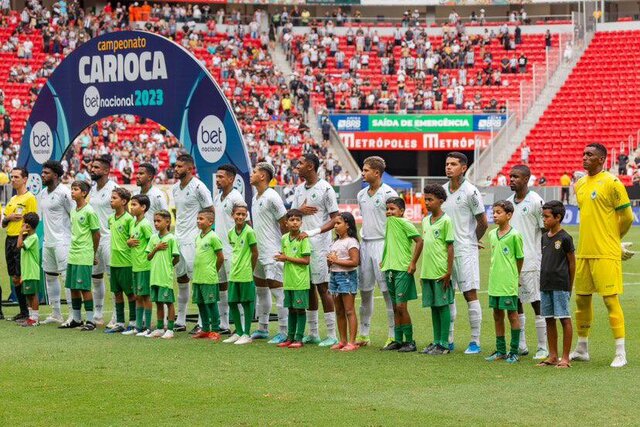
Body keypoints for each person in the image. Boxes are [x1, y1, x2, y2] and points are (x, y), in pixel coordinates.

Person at [570, 143, 634, 368]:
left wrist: (614, 240)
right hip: (584, 251)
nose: (584, 157)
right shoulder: (580, 185)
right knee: (581, 299)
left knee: (610, 300)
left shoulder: (612, 183)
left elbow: (626, 216)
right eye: (584, 153)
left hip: (605, 252)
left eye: (590, 155)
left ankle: (620, 352)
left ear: (601, 159)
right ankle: (582, 347)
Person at [292, 153, 339, 347]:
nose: (297, 166)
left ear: (310, 166)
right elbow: (292, 215)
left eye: (301, 163)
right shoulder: (298, 189)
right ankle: (312, 333)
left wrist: (315, 231)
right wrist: (299, 212)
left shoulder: (325, 188)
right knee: (308, 287)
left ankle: (331, 334)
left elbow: (336, 218)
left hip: (320, 245)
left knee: (322, 288)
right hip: (302, 245)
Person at [442, 152, 488, 354]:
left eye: (453, 164)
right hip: (444, 251)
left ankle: (475, 341)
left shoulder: (471, 191)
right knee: (447, 294)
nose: (448, 167)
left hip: (465, 250)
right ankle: (449, 338)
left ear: (463, 168)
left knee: (470, 294)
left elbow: (483, 222)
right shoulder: (442, 191)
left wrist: (472, 240)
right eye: (447, 164)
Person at [507, 165, 548, 359]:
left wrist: (545, 257)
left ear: (526, 179)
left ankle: (543, 346)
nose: (512, 179)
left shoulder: (536, 201)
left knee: (536, 302)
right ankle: (521, 344)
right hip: (510, 262)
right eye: (510, 176)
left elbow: (546, 231)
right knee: (516, 302)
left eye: (516, 177)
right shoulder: (508, 203)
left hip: (532, 261)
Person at [355, 156, 397, 347]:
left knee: (387, 292)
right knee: (365, 291)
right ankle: (364, 334)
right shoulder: (361, 194)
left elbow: (395, 224)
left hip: (382, 245)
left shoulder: (390, 193)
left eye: (365, 170)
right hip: (365, 245)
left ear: (377, 173)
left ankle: (392, 334)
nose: (363, 173)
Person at [172, 154, 214, 332]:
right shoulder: (175, 188)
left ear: (189, 169)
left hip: (193, 239)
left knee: (197, 280)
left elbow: (210, 211)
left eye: (180, 166)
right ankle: (180, 320)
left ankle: (203, 322)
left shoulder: (199, 187)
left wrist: (204, 236)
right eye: (176, 165)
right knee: (181, 278)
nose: (176, 169)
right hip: (178, 238)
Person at [250, 162, 289, 343]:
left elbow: (285, 223)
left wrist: (284, 248)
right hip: (258, 252)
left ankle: (284, 331)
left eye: (255, 171)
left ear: (263, 176)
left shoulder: (272, 196)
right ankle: (263, 328)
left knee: (278, 292)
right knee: (261, 291)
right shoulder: (255, 196)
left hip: (272, 250)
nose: (252, 173)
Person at [380, 197, 423, 353]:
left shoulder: (405, 223)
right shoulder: (390, 223)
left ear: (402, 211)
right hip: (389, 269)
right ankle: (398, 341)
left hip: (402, 269)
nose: (389, 212)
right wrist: (384, 259)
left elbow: (419, 241)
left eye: (393, 209)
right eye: (388, 209)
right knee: (394, 306)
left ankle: (410, 341)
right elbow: (390, 242)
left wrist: (413, 263)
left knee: (401, 306)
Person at [485, 200, 524, 364]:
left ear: (509, 215)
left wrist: (515, 277)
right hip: (494, 281)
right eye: (493, 212)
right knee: (496, 315)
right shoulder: (492, 234)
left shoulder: (515, 235)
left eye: (498, 212)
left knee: (512, 315)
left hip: (508, 282)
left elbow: (520, 258)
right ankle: (500, 350)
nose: (495, 215)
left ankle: (514, 351)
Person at [59, 181, 100, 331]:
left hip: (84, 253)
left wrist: (93, 253)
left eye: (75, 189)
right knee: (73, 287)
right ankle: (76, 319)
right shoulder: (74, 210)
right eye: (72, 189)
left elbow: (96, 234)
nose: (72, 192)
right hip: (73, 253)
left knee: (84, 287)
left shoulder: (89, 211)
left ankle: (91, 321)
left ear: (83, 193)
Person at [538, 201, 575, 368]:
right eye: (543, 216)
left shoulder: (565, 238)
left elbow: (572, 263)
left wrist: (569, 286)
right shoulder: (544, 237)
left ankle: (565, 357)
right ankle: (552, 355)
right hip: (545, 284)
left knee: (564, 319)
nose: (544, 219)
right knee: (549, 319)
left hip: (560, 285)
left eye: (547, 216)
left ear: (558, 217)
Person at [419, 185, 454, 355]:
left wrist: (449, 272)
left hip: (441, 271)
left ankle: (444, 344)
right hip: (427, 271)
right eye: (425, 199)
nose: (427, 202)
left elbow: (450, 247)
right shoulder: (425, 220)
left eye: (430, 199)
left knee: (443, 306)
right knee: (433, 306)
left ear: (440, 201)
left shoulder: (446, 221)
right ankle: (436, 340)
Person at [39, 160, 73, 324]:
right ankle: (56, 313)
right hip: (48, 242)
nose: (43, 175)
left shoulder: (64, 192)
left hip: (63, 241)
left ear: (56, 175)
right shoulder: (43, 193)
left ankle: (73, 315)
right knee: (50, 276)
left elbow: (74, 216)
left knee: (67, 278)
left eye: (46, 173)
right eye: (43, 172)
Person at [2, 167, 38, 322]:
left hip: (20, 239)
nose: (13, 179)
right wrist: (9, 217)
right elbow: (3, 223)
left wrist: (24, 237)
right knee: (14, 277)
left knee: (21, 276)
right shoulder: (11, 199)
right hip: (9, 239)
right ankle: (23, 311)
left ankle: (29, 313)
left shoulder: (29, 198)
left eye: (16, 176)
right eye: (12, 176)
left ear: (25, 179)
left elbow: (33, 220)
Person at [214, 164, 246, 335]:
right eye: (217, 177)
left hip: (233, 252)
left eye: (221, 177)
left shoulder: (237, 198)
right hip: (220, 251)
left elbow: (244, 224)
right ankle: (224, 324)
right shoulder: (218, 197)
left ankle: (240, 327)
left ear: (231, 179)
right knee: (222, 287)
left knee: (236, 289)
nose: (217, 180)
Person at [88, 155, 118, 326]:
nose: (93, 170)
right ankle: (98, 315)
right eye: (92, 167)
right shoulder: (93, 189)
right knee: (96, 277)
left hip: (109, 239)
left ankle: (115, 315)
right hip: (94, 239)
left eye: (97, 167)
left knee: (112, 278)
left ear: (107, 170)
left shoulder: (114, 188)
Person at [276, 209, 311, 349]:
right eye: (292, 220)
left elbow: (306, 260)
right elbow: (285, 256)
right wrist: (282, 257)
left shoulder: (303, 239)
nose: (295, 222)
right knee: (290, 309)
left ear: (301, 222)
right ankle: (290, 337)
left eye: (297, 220)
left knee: (300, 309)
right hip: (289, 280)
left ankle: (299, 338)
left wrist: (286, 258)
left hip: (300, 281)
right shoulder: (284, 238)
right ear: (286, 222)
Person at [224, 204, 258, 345]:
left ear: (246, 216)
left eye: (243, 214)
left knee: (246, 303)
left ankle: (246, 333)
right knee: (232, 302)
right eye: (238, 214)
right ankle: (238, 331)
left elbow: (255, 252)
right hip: (234, 272)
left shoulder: (249, 232)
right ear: (233, 215)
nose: (240, 217)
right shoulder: (231, 232)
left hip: (245, 272)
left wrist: (250, 269)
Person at [105, 188, 136, 334]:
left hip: (127, 262)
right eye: (111, 197)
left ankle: (134, 321)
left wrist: (130, 241)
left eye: (114, 198)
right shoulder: (111, 218)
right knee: (117, 293)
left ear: (123, 201)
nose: (111, 200)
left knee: (130, 293)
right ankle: (120, 322)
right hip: (114, 262)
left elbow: (134, 238)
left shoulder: (130, 219)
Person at [327, 212, 360, 352]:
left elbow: (354, 262)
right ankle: (342, 340)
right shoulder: (335, 242)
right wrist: (330, 261)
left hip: (347, 277)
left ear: (347, 225)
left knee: (349, 310)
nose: (335, 226)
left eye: (338, 223)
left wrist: (336, 260)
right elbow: (333, 262)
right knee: (339, 311)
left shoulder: (351, 242)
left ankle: (352, 342)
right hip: (334, 276)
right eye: (334, 223)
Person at [146, 210, 181, 339]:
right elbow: (148, 257)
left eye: (159, 221)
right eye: (154, 221)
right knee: (158, 303)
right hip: (154, 276)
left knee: (168, 302)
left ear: (167, 222)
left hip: (165, 276)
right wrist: (156, 248)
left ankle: (170, 329)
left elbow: (176, 257)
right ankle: (160, 328)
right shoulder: (153, 238)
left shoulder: (171, 238)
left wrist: (169, 266)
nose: (156, 223)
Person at [191, 209, 225, 341]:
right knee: (200, 303)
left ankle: (215, 329)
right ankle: (205, 329)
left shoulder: (213, 237)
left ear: (211, 222)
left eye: (201, 219)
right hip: (198, 277)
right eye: (198, 218)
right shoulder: (198, 237)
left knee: (211, 304)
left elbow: (220, 257)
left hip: (209, 277)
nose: (198, 221)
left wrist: (213, 270)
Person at [125, 194, 154, 337]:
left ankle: (148, 327)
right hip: (135, 265)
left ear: (143, 207)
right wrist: (128, 242)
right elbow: (131, 240)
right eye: (131, 204)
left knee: (146, 296)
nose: (131, 207)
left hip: (144, 265)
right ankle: (138, 326)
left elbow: (151, 241)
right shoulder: (133, 223)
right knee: (137, 296)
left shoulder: (146, 225)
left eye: (135, 204)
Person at [17, 212, 40, 326]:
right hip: (27, 272)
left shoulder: (33, 238)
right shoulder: (30, 237)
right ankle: (31, 317)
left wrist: (20, 233)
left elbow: (19, 245)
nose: (22, 225)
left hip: (32, 272)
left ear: (28, 226)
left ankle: (35, 319)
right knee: (28, 295)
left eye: (23, 223)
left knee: (33, 294)